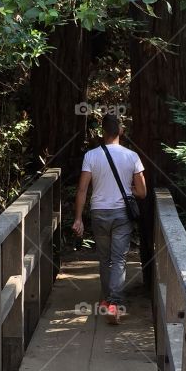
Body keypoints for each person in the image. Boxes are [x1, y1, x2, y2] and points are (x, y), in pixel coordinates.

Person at [72, 114, 146, 324]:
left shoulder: (91, 156)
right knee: (119, 259)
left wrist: (78, 218)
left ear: (102, 132)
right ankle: (114, 303)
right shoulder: (132, 156)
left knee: (104, 259)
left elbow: (82, 189)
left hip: (98, 212)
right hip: (122, 213)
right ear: (121, 131)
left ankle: (107, 301)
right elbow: (142, 192)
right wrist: (129, 188)